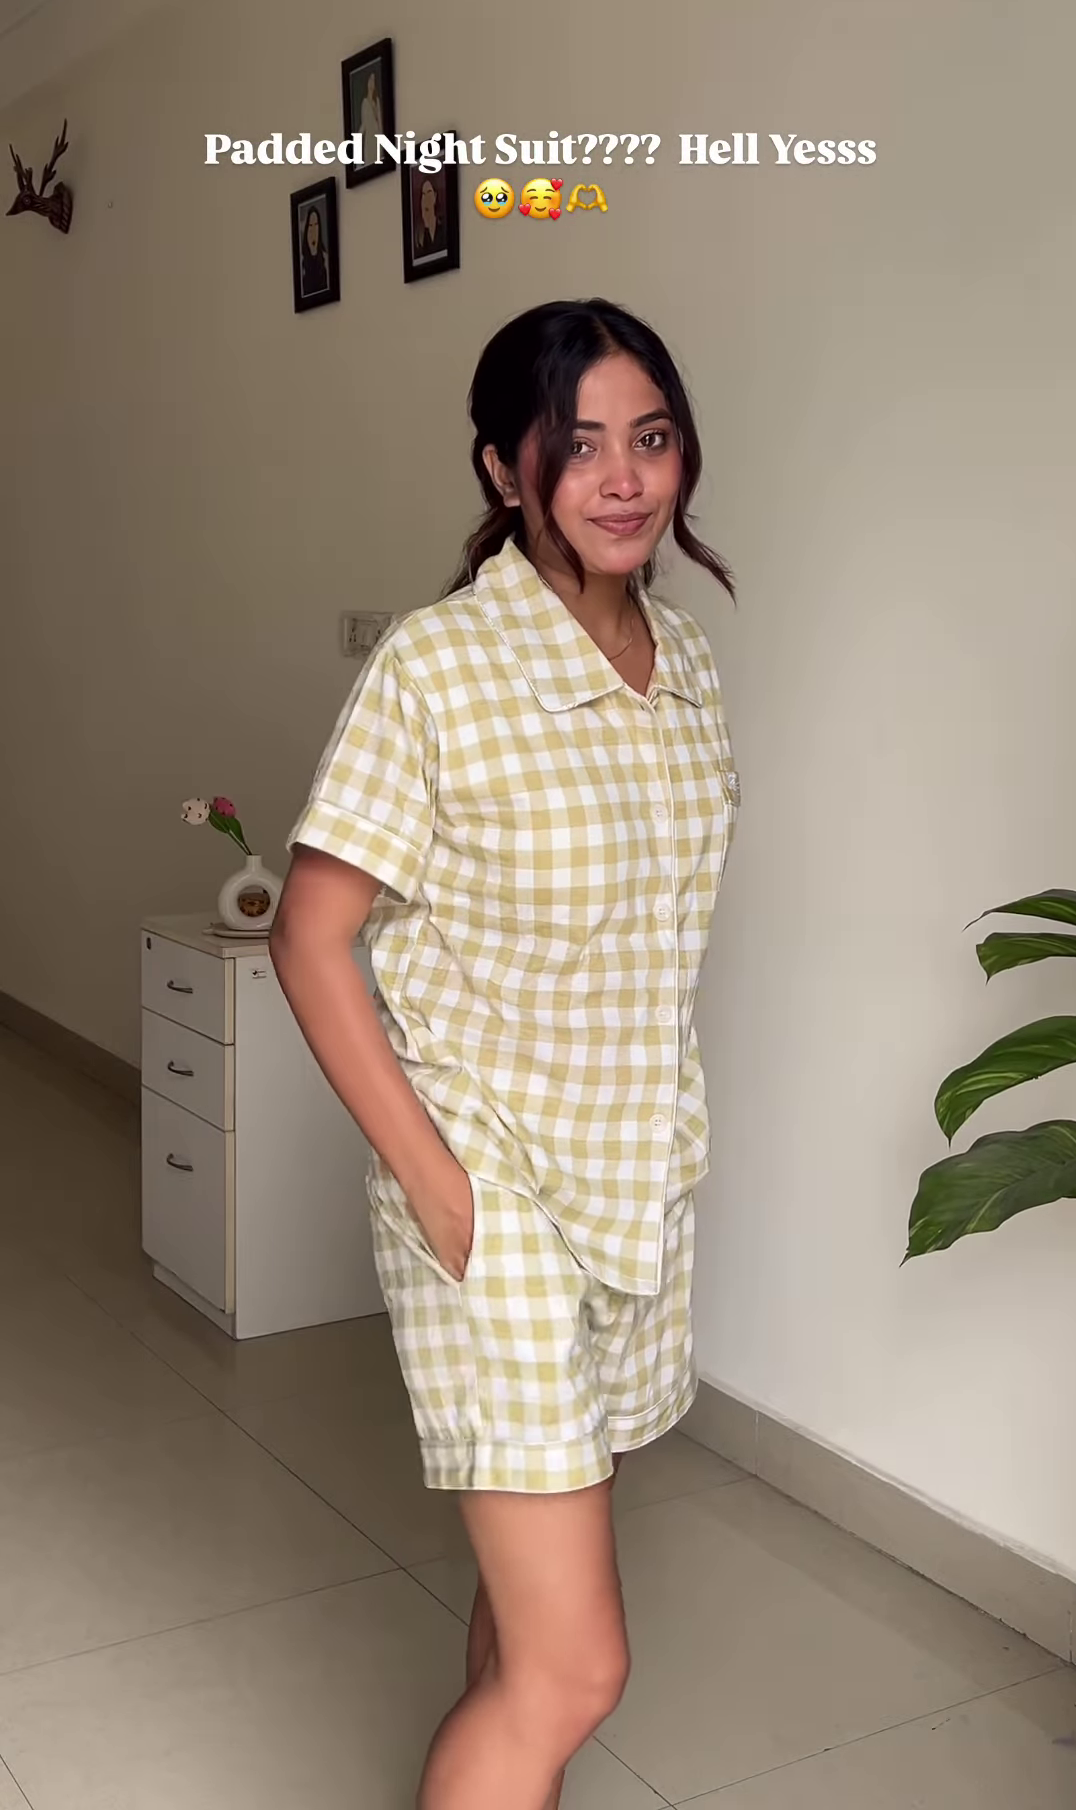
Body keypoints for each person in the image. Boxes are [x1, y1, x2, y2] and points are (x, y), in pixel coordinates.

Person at [270, 298, 741, 1810]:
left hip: (633, 1176)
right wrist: (443, 1190)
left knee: (525, 1613)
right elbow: (310, 935)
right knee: (576, 1670)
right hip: (493, 1188)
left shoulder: (685, 662)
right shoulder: (440, 667)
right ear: (502, 468)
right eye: (577, 444)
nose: (624, 477)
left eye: (650, 437)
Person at [413, 174, 446, 259]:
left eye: (429, 192)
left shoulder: (443, 225)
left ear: (435, 196)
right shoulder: (418, 233)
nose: (426, 198)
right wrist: (426, 224)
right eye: (423, 194)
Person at [299, 203, 328, 297]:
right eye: (310, 225)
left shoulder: (326, 259)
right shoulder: (300, 261)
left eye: (316, 225)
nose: (313, 230)